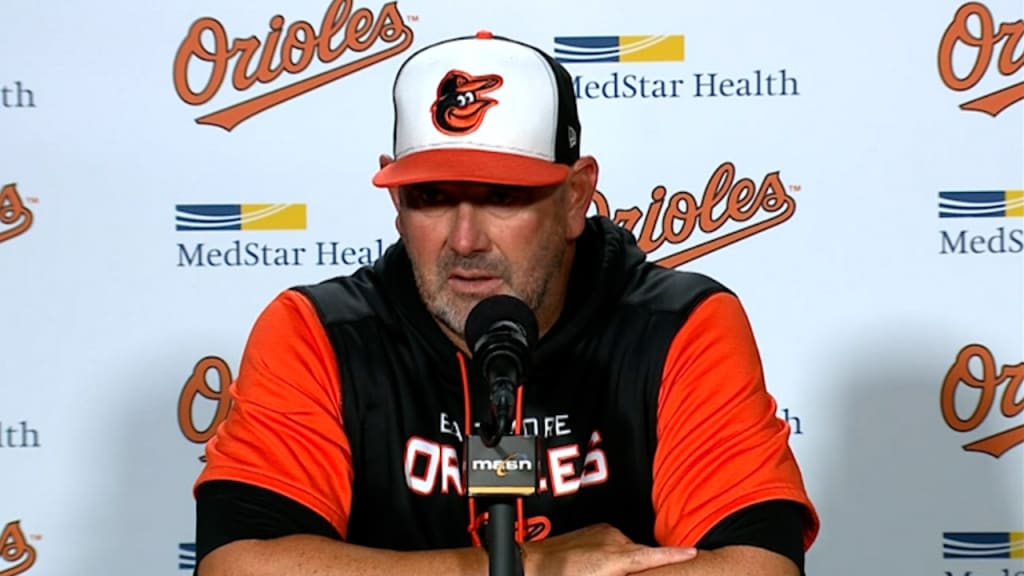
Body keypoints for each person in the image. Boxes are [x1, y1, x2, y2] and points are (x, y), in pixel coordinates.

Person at [191, 31, 820, 576]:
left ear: (576, 197)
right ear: (396, 202)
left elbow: (756, 565)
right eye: (431, 198)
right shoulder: (320, 333)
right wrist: (519, 566)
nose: (464, 241)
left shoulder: (677, 325)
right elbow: (238, 563)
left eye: (503, 196)